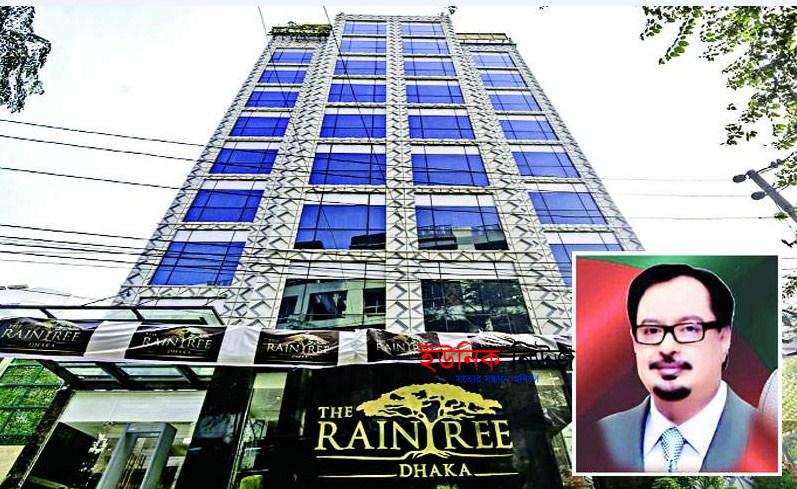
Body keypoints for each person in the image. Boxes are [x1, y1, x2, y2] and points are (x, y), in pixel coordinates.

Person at [594, 263, 756, 473]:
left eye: (689, 328)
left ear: (724, 338)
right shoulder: (599, 437)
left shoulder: (765, 433)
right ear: (635, 342)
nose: (667, 348)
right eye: (651, 330)